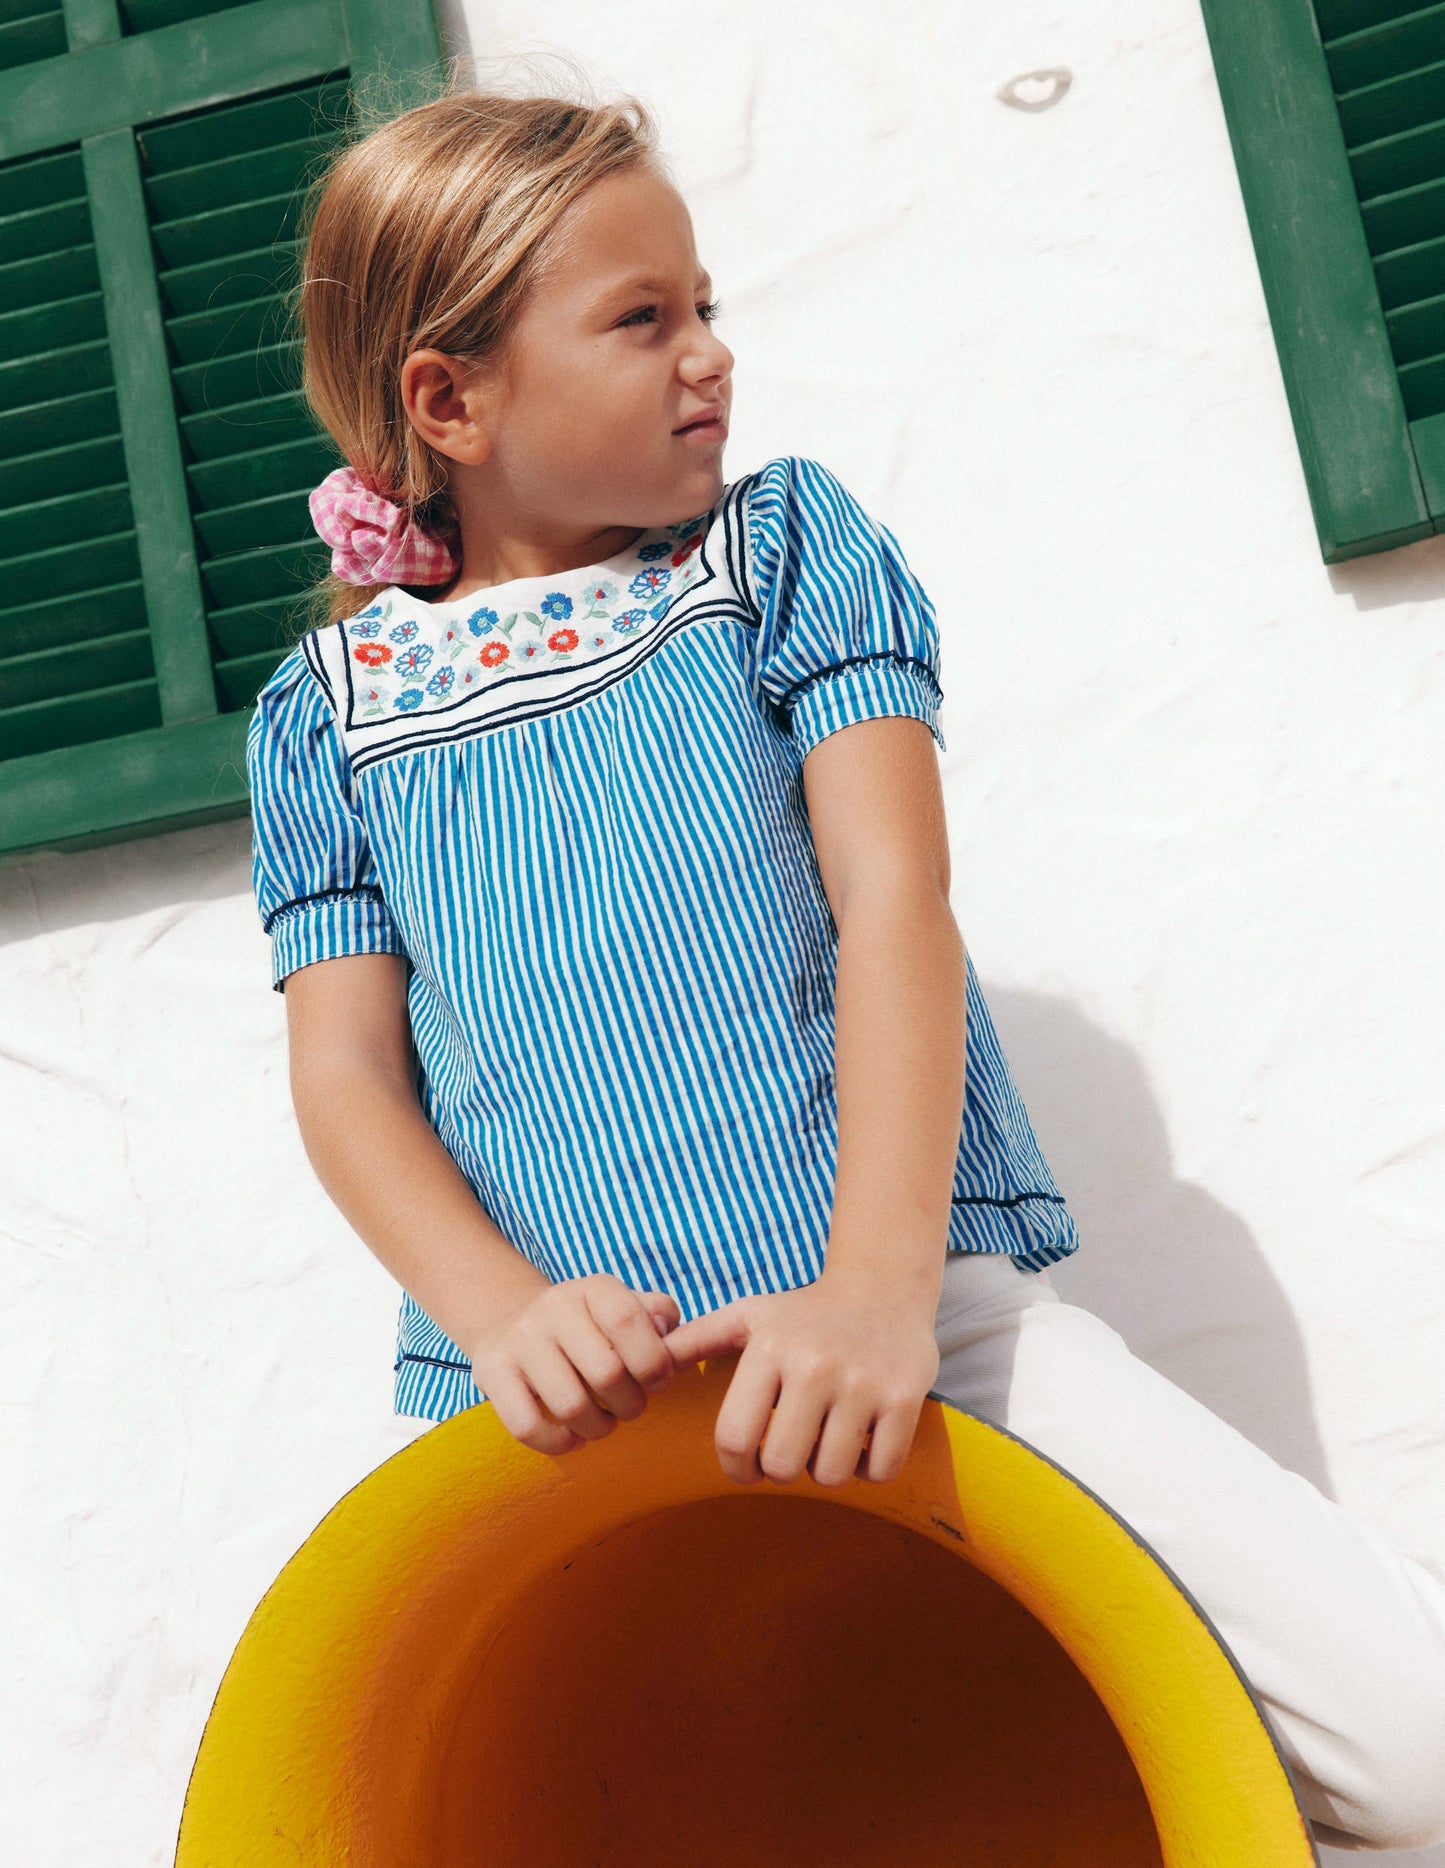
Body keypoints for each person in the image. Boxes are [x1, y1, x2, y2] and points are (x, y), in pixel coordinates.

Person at [245, 76, 1445, 1852]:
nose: (706, 354)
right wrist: (505, 1318)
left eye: (707, 305)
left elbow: (895, 898)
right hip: (558, 1419)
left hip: (916, 1321)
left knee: (1410, 1745)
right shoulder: (319, 721)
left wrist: (881, 1289)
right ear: (452, 398)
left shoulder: (781, 553)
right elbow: (346, 1074)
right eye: (642, 318)